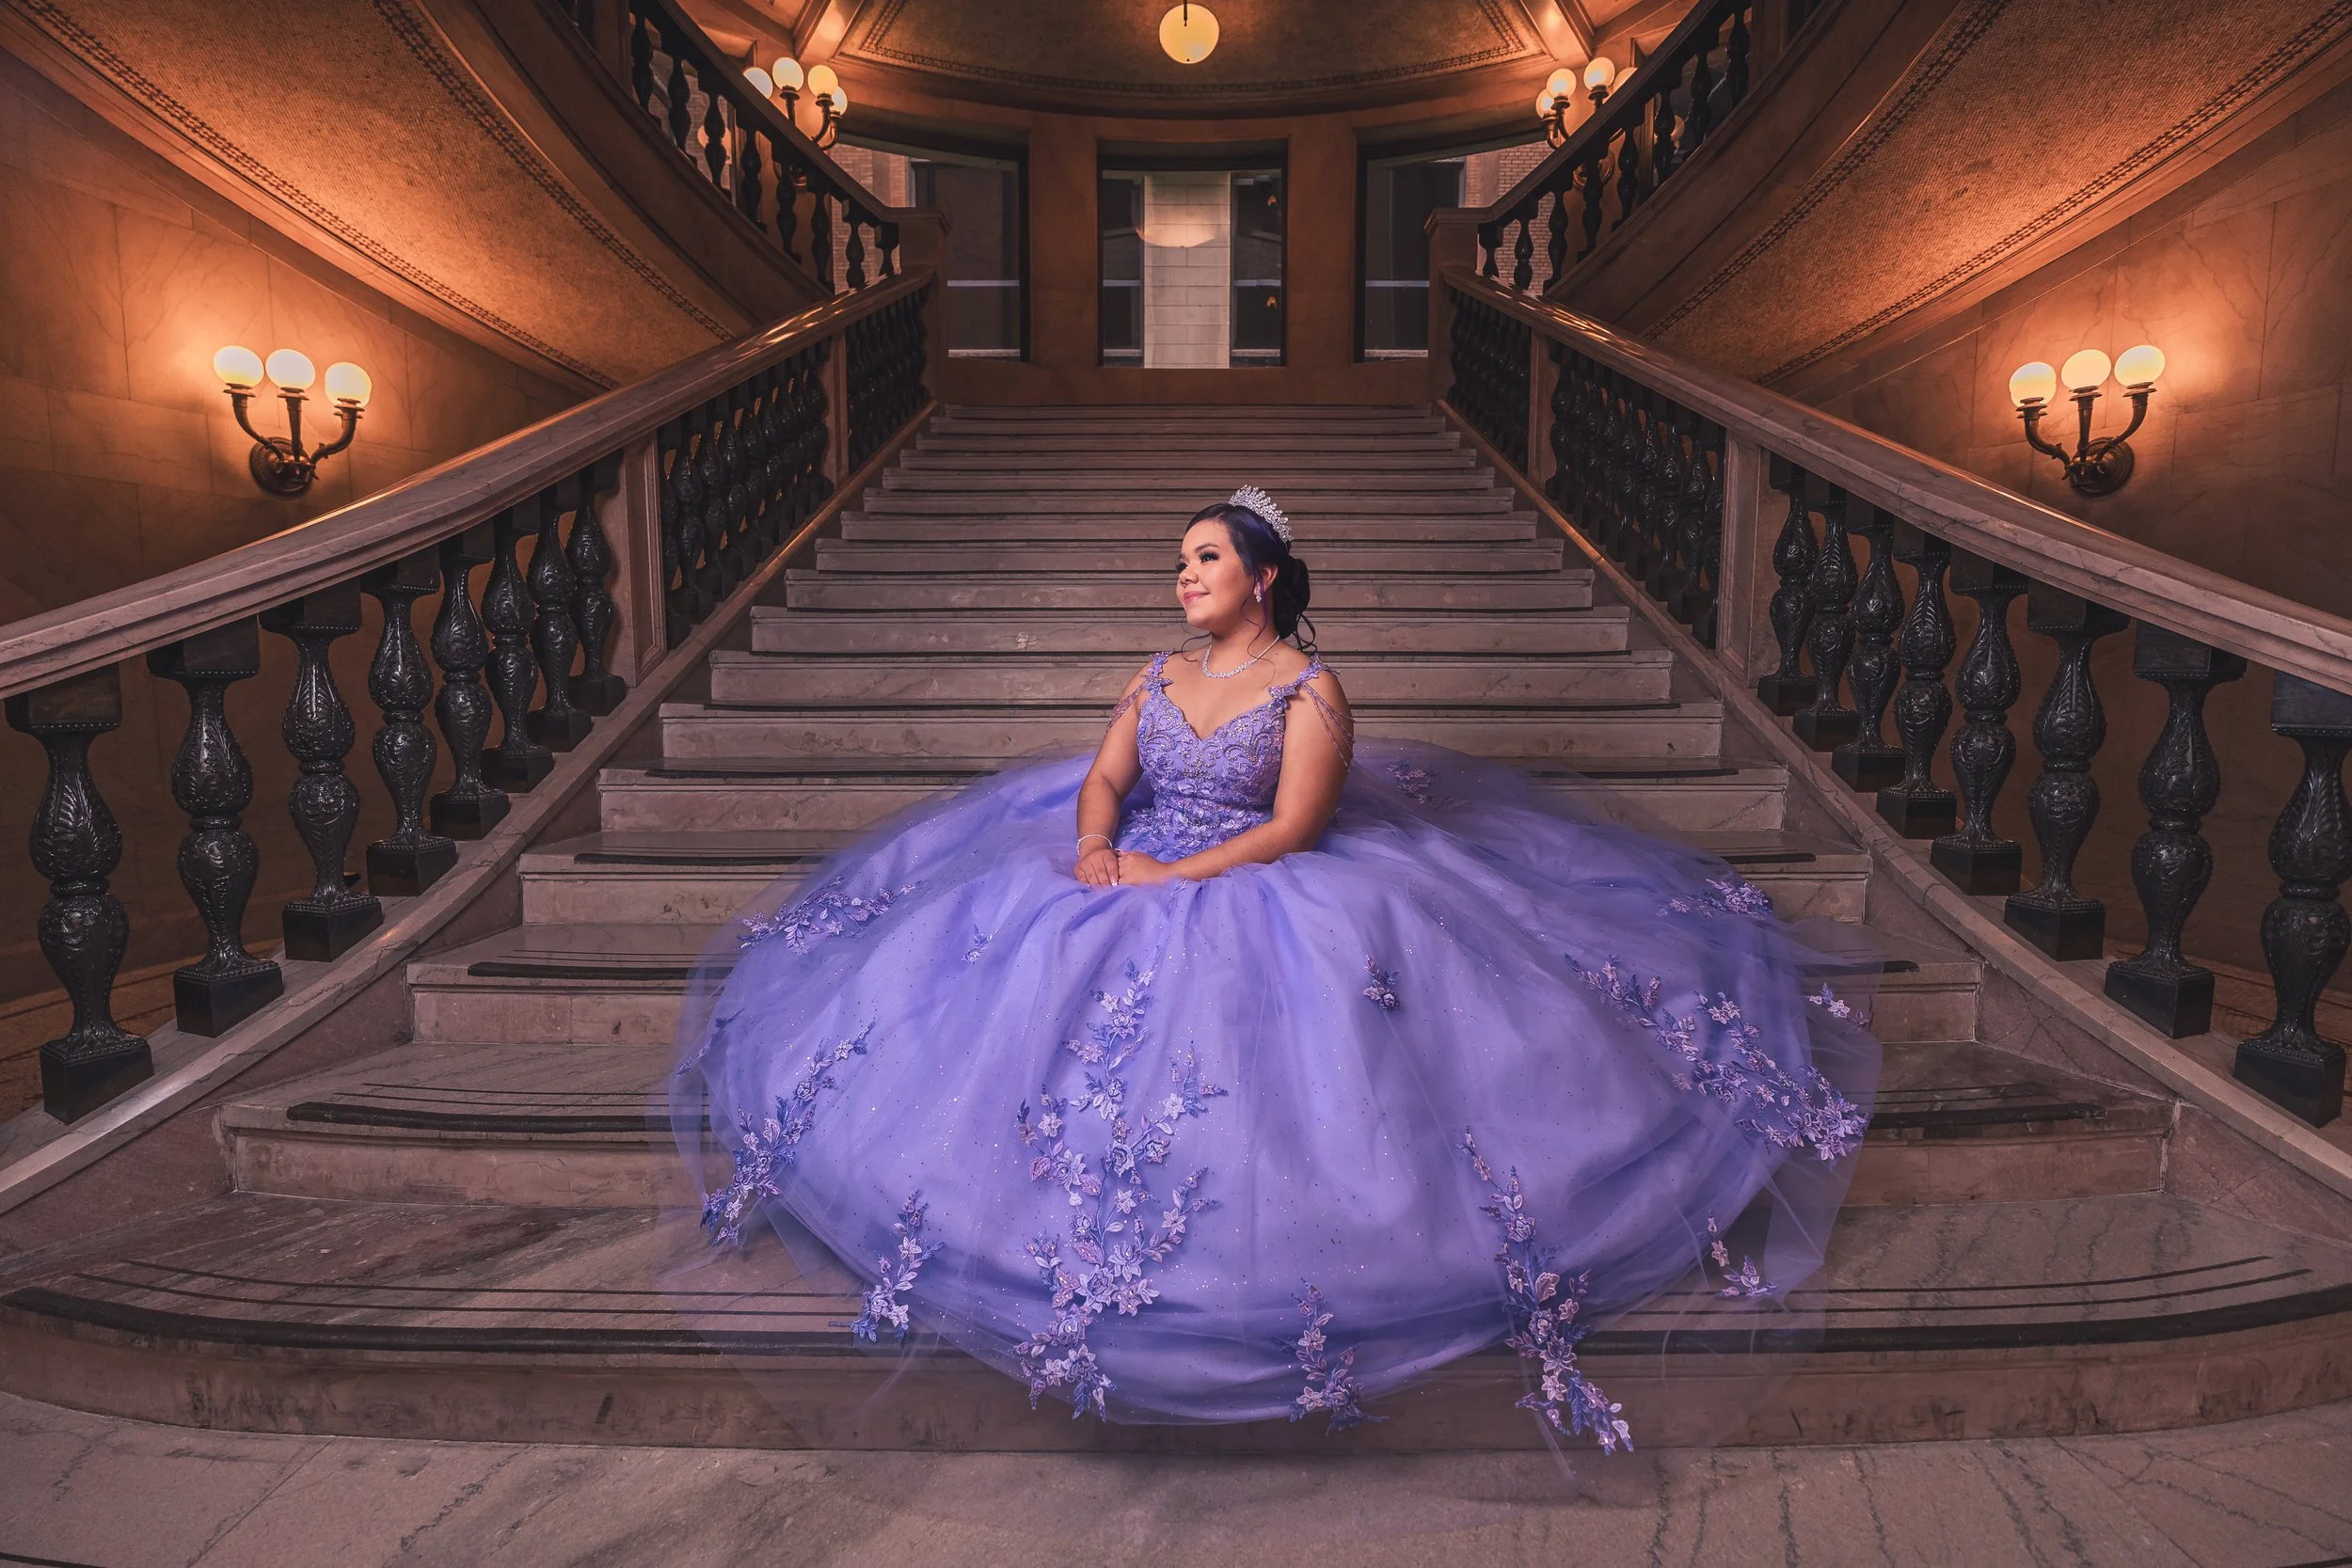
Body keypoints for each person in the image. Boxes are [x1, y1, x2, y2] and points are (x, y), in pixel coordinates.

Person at [673, 485, 1879, 1449]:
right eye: (1179, 561)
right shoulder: (1152, 675)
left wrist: (1167, 881)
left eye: (1203, 558)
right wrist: (1098, 841)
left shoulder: (1310, 686)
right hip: (1130, 861)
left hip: (1253, 882)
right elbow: (1102, 777)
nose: (1182, 576)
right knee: (985, 963)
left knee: (1291, 1028)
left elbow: (1295, 828)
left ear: (1260, 576)